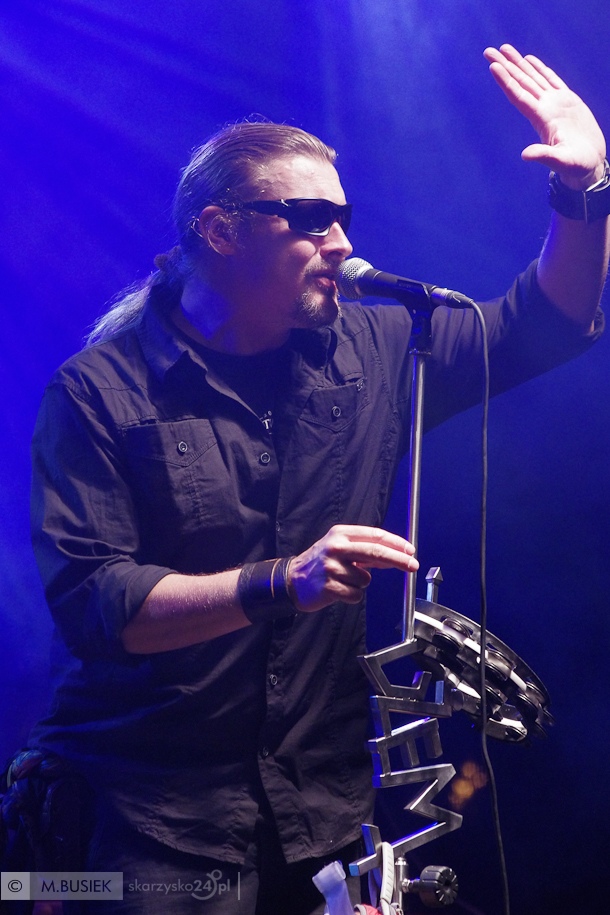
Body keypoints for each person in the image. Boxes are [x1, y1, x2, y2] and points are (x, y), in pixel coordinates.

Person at [23, 45, 608, 914]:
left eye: (344, 218)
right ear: (221, 231)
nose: (342, 243)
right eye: (311, 220)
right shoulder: (97, 392)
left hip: (318, 811)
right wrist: (281, 581)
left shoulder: (376, 346)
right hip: (145, 819)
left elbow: (544, 325)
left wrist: (585, 190)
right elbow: (99, 606)